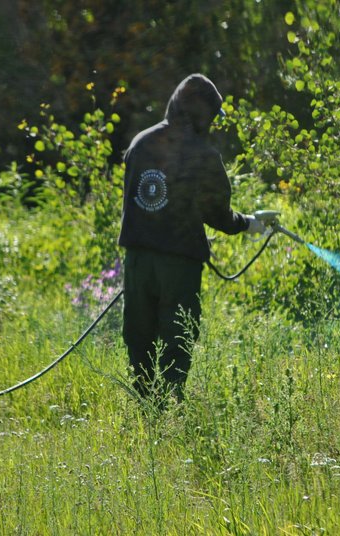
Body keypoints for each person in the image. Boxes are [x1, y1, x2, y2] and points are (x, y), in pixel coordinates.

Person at [118, 73, 264, 402]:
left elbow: (131, 200)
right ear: (203, 115)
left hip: (138, 262)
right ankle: (172, 406)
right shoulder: (203, 155)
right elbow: (218, 217)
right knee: (178, 336)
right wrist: (249, 224)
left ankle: (146, 407)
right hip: (179, 266)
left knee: (138, 337)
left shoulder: (141, 143)